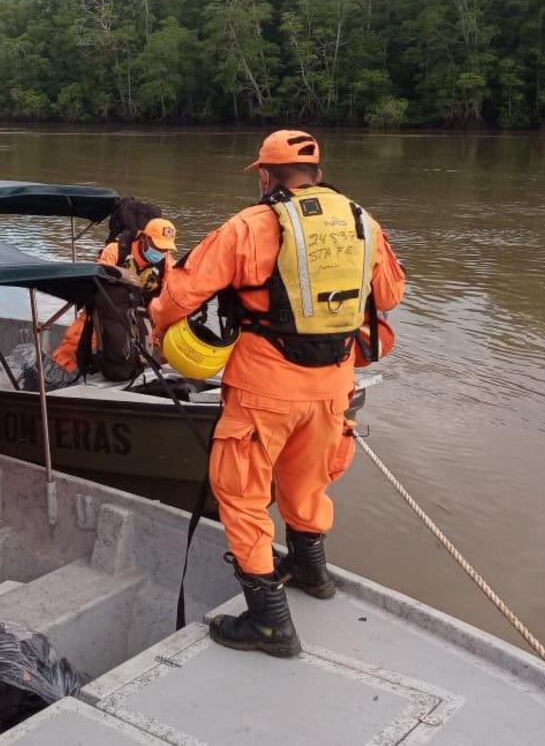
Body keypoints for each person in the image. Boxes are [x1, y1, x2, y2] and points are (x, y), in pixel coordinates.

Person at [150, 130, 407, 658]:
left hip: (265, 385)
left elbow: (177, 297)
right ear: (317, 173)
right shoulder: (364, 222)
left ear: (265, 176)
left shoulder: (249, 226)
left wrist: (160, 321)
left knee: (242, 495)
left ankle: (269, 624)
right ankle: (313, 572)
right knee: (308, 478)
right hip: (335, 382)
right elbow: (390, 294)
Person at [53, 213, 178, 376]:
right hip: (109, 304)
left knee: (162, 339)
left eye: (165, 249)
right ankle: (62, 372)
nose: (160, 252)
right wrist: (118, 273)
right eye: (157, 247)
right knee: (79, 335)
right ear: (144, 238)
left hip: (144, 311)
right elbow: (98, 274)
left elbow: (174, 287)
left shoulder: (166, 261)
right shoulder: (116, 249)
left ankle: (159, 376)